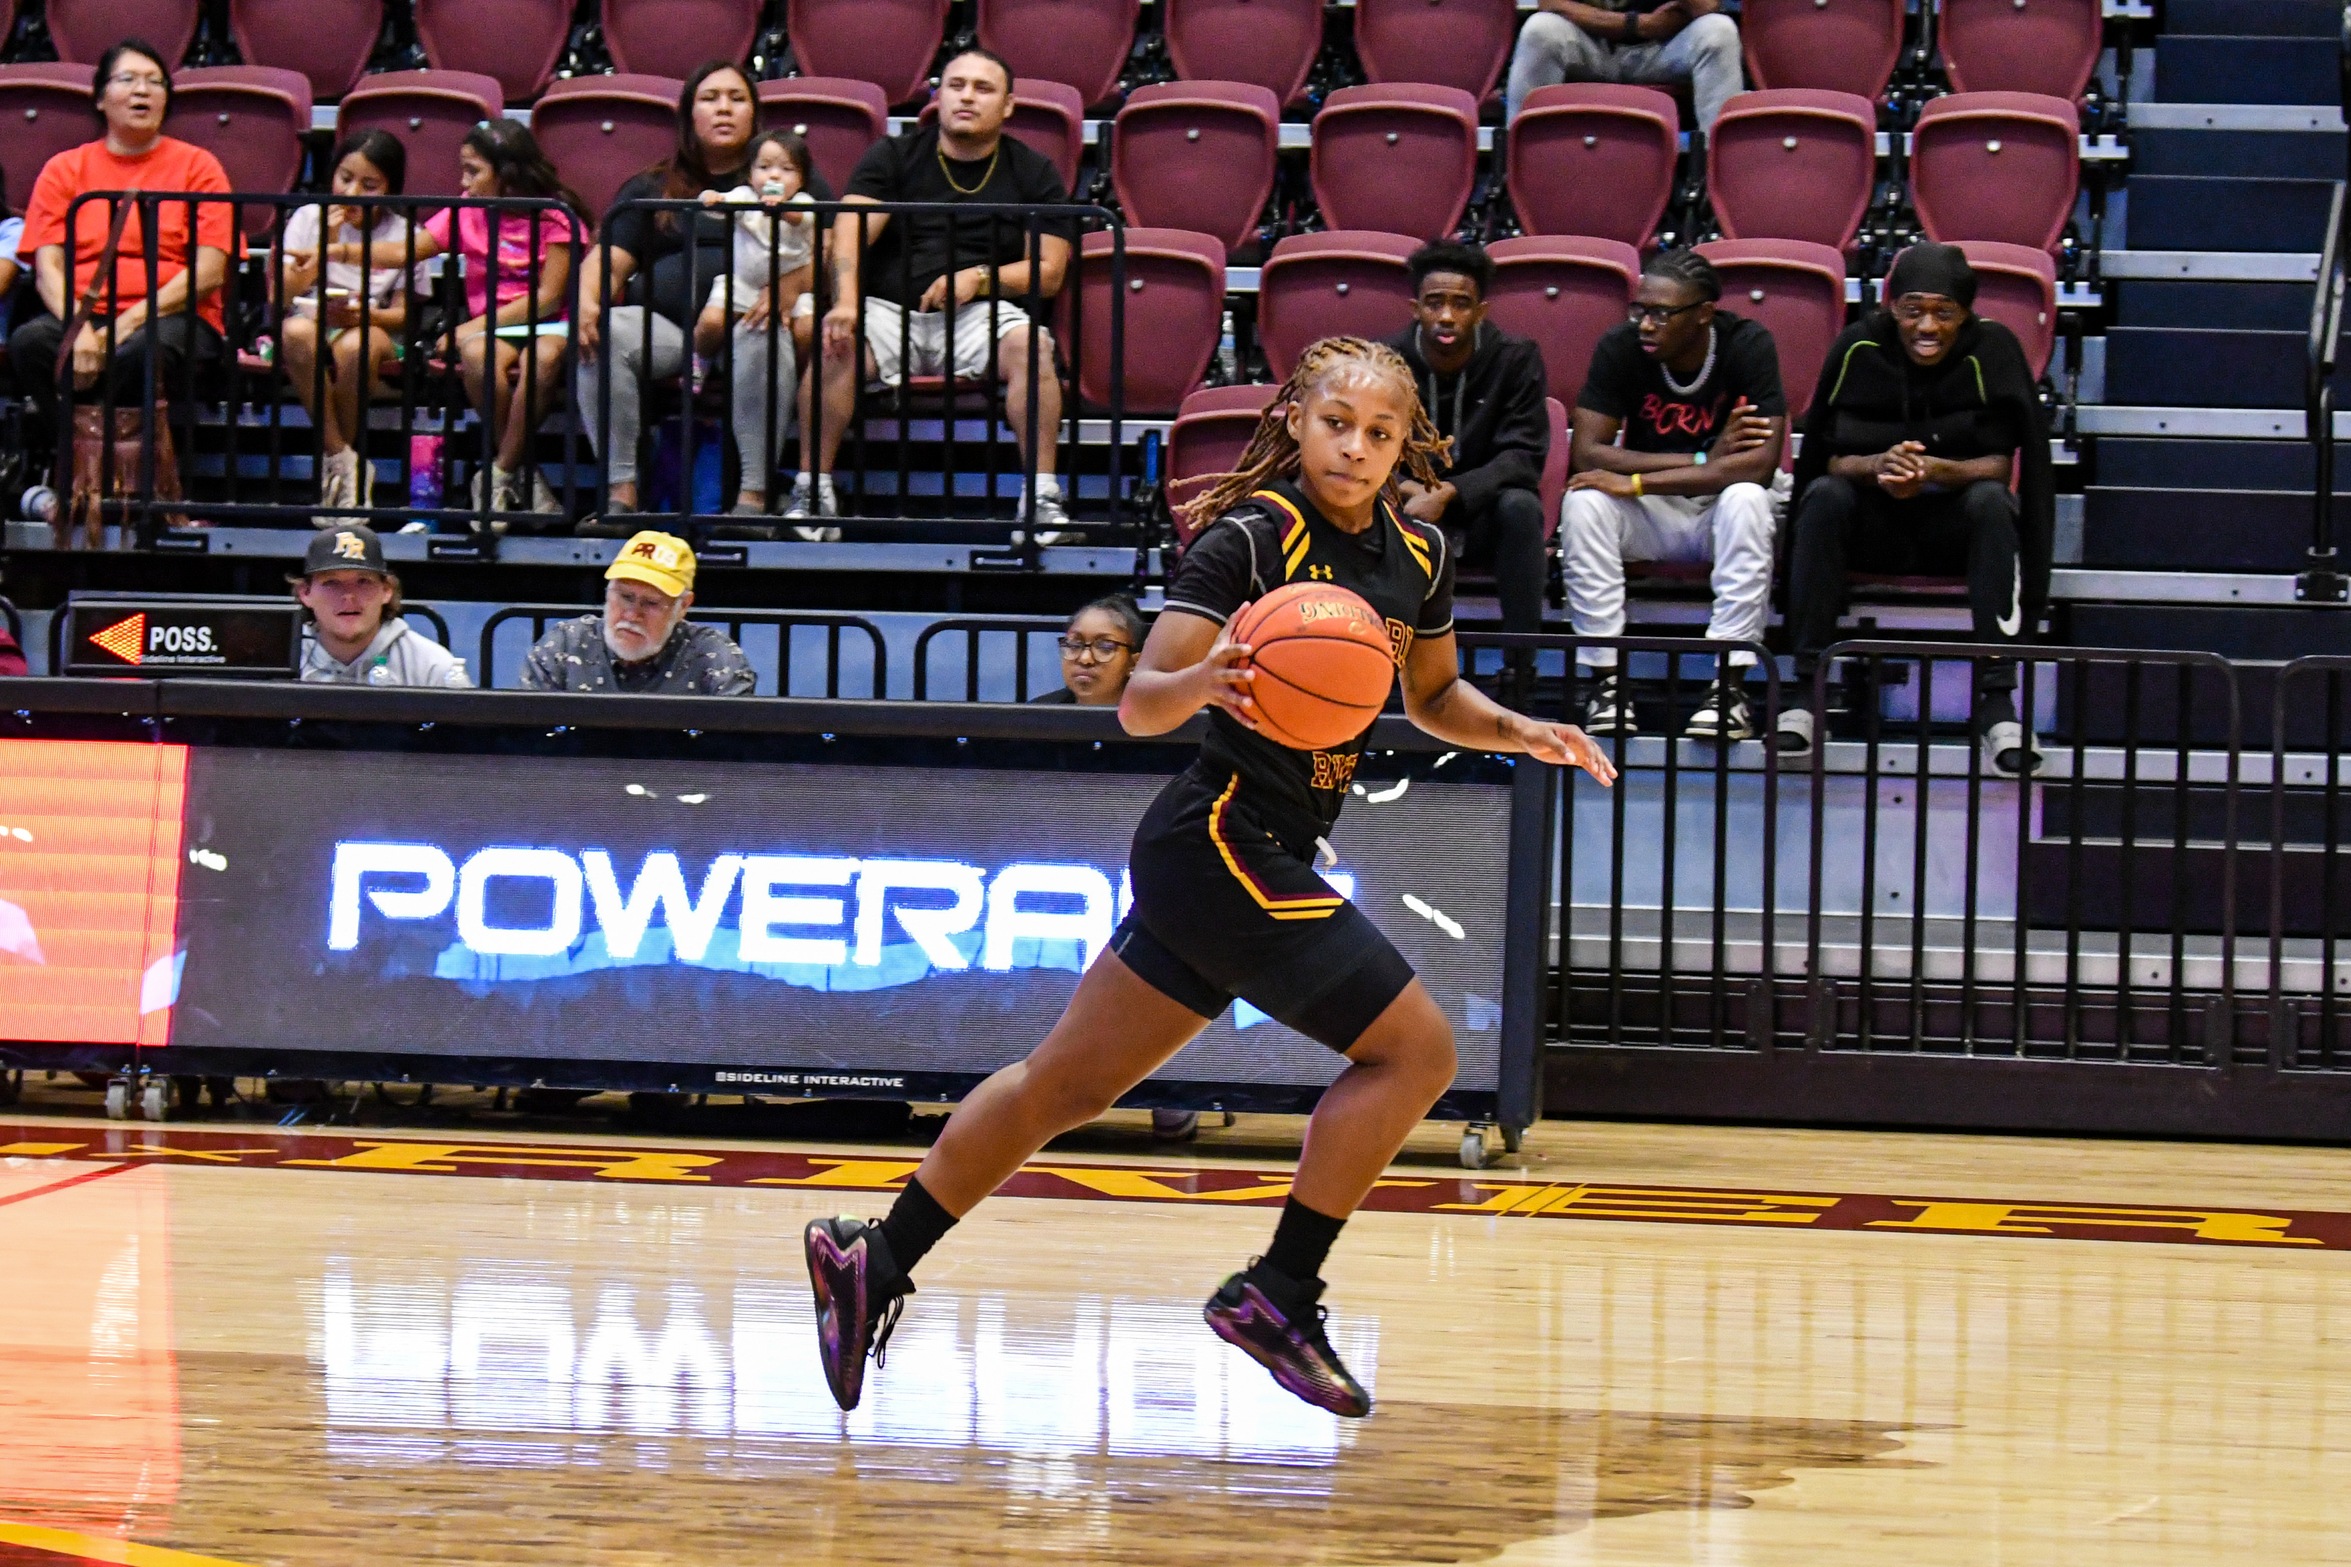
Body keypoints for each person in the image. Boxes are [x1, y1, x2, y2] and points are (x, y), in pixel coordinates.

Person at [802, 335, 1617, 1422]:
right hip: (1221, 834)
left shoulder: (1413, 555)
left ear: (1403, 447)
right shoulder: (1249, 537)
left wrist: (1517, 728)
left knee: (1063, 1087)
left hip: (1250, 846)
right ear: (1294, 421)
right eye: (1337, 424)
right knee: (1416, 1050)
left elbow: (1429, 697)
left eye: (1379, 434)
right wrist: (1207, 677)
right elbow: (1140, 703)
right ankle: (1279, 1291)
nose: (1355, 448)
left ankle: (875, 1254)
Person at [1780, 242, 2051, 774]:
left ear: (1966, 314)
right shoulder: (1857, 347)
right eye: (1914, 310)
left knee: (1994, 503)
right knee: (1823, 499)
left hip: (1952, 529)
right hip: (1872, 521)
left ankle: (1998, 701)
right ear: (1891, 307)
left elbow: (2001, 464)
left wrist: (1934, 472)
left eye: (1943, 313)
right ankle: (1805, 689)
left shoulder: (1994, 350)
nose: (1927, 326)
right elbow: (1827, 460)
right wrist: (1880, 464)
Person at [792, 47, 1075, 542]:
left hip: (979, 313)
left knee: (1032, 347)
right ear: (937, 96)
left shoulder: (1034, 171)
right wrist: (846, 302)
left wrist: (981, 278)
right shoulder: (894, 154)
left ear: (1008, 106)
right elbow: (851, 233)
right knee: (835, 341)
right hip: (889, 310)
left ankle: (1041, 498)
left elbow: (1049, 272)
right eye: (956, 85)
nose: (967, 97)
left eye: (983, 89)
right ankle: (813, 491)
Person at [578, 63, 820, 528]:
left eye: (737, 98)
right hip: (671, 330)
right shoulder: (652, 186)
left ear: (756, 113)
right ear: (689, 115)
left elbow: (829, 253)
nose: (724, 108)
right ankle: (621, 494)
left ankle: (753, 497)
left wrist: (789, 286)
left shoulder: (790, 178)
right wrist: (590, 300)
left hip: (753, 320)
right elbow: (608, 259)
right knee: (605, 334)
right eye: (709, 99)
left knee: (760, 333)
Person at [1564, 249, 1783, 741]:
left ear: (1704, 313)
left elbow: (1758, 465)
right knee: (1583, 502)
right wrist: (1706, 459)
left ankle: (1728, 689)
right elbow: (1588, 453)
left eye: (1662, 314)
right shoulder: (1620, 347)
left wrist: (1642, 479)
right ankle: (1607, 683)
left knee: (1748, 498)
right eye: (1640, 310)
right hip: (1654, 513)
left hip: (1715, 513)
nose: (1645, 324)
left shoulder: (1747, 345)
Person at [350, 121, 583, 519]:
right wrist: (336, 250)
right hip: (496, 327)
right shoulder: (467, 210)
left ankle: (499, 471)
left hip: (552, 322)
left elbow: (547, 298)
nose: (464, 180)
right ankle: (517, 472)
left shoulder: (556, 217)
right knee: (477, 358)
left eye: (473, 170)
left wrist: (471, 327)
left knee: (540, 360)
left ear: (507, 172)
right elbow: (404, 252)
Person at [10, 39, 233, 434]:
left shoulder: (201, 167)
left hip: (173, 316)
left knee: (140, 353)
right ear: (100, 98)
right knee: (31, 342)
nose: (142, 90)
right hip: (83, 310)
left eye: (155, 82)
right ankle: (82, 455)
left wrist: (123, 325)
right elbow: (48, 268)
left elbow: (210, 271)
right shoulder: (64, 169)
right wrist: (80, 327)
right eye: (127, 79)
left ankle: (118, 471)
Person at [1380, 240, 1551, 634]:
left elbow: (1523, 456)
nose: (1446, 316)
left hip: (1480, 510)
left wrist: (1448, 493)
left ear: (1480, 311)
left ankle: (1520, 666)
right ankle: (1378, 662)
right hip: (1403, 504)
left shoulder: (1516, 357)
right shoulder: (1383, 360)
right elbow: (1363, 447)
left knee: (1521, 507)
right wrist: (1407, 489)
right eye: (1434, 303)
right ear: (1415, 308)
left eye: (1460, 304)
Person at [276, 131, 413, 525]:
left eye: (369, 185)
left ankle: (338, 472)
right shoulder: (307, 218)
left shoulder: (402, 234)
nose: (353, 191)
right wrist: (327, 244)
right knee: (295, 333)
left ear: (390, 189)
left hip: (371, 326)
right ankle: (343, 461)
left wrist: (361, 318)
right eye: (345, 178)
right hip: (311, 319)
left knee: (355, 347)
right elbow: (282, 295)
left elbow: (403, 315)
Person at [519, 529, 755, 695]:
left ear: (683, 606)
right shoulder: (564, 645)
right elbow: (523, 743)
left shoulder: (712, 655)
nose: (632, 615)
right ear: (607, 592)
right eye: (625, 597)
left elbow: (738, 754)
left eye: (651, 603)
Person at [1504, 0, 1744, 135]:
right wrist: (1637, 25)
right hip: (1591, 45)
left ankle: (1723, 171)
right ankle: (1519, 164)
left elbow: (1707, 5)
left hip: (1664, 47)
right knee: (1540, 30)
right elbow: (1551, 3)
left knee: (1719, 31)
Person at [693, 130, 817, 366]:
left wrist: (780, 208)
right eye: (764, 167)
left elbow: (802, 219)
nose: (774, 176)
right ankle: (699, 360)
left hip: (791, 291)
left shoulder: (802, 202)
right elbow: (721, 206)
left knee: (807, 330)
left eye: (786, 169)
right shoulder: (745, 196)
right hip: (743, 283)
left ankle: (802, 371)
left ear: (801, 179)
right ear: (750, 175)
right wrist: (711, 198)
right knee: (711, 322)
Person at [292, 525, 470, 686]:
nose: (348, 596)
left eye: (363, 581)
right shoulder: (281, 658)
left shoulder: (432, 666)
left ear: (386, 590)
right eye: (331, 583)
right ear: (305, 593)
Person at [1030, 593, 1144, 706]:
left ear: (1133, 663)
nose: (1085, 659)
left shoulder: (1153, 719)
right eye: (1074, 645)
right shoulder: (1035, 715)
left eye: (1104, 647)